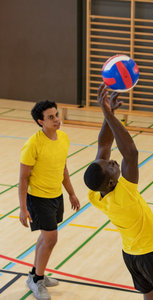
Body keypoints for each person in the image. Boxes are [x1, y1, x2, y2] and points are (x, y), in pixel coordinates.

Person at [83, 83, 153, 300]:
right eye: (111, 166)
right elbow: (131, 152)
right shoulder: (125, 196)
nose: (112, 161)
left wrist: (108, 114)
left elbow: (104, 145)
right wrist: (108, 114)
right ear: (111, 182)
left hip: (131, 256)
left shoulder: (95, 194)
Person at [19, 100, 81, 300]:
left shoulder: (63, 138)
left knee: (45, 238)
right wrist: (23, 208)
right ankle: (37, 280)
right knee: (51, 238)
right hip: (38, 198)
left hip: (56, 195)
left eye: (56, 115)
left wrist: (71, 193)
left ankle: (35, 274)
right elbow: (23, 178)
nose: (57, 120)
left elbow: (63, 168)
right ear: (40, 122)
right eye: (51, 117)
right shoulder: (32, 145)